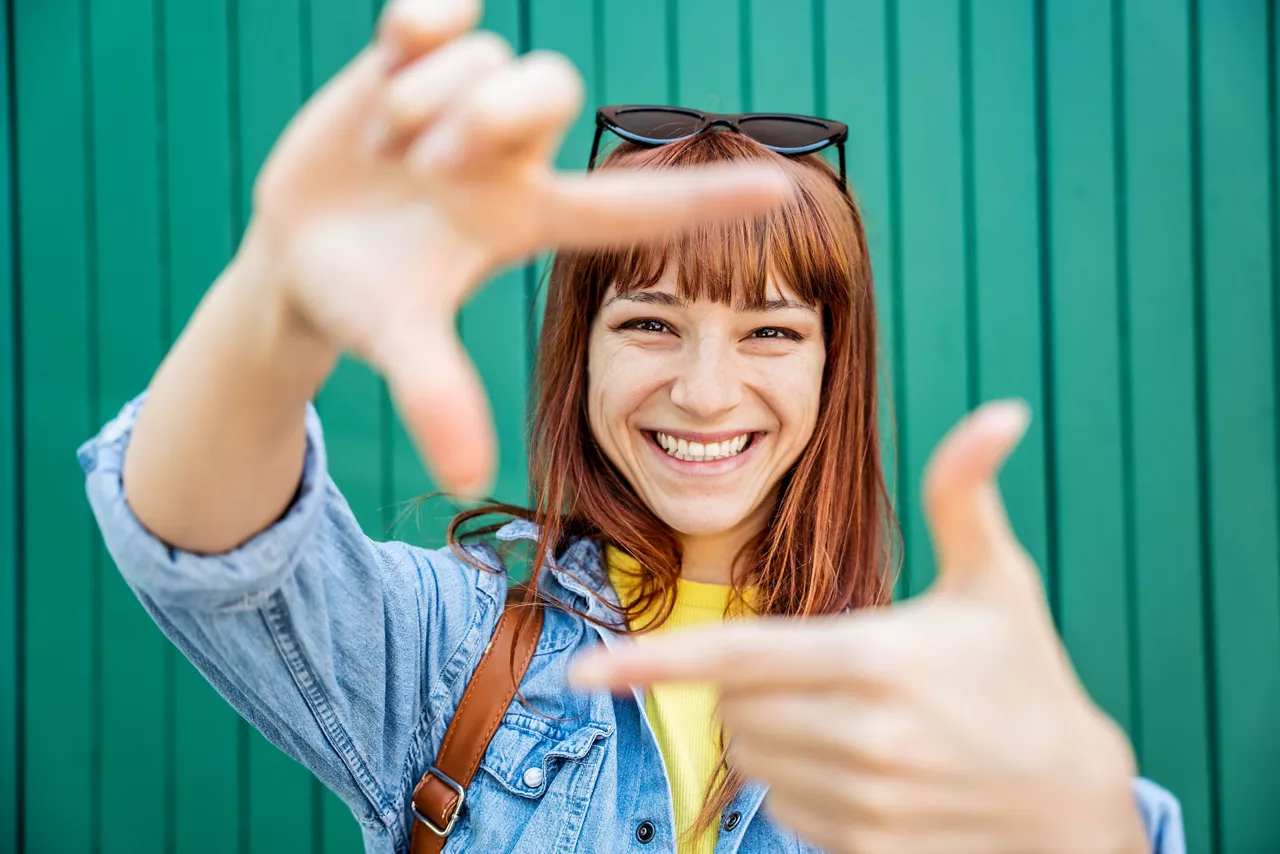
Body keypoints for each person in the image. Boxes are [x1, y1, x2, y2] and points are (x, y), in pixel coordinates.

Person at [77, 0, 1184, 852]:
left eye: (769, 332)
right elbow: (204, 547)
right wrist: (276, 302)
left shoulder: (929, 724)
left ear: (832, 365)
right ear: (582, 347)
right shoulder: (455, 649)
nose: (705, 391)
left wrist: (1090, 825)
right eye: (651, 322)